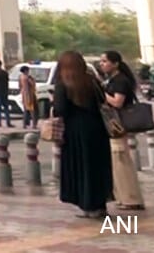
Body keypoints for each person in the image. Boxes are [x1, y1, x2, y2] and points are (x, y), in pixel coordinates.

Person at [53, 50, 112, 219]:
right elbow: (103, 102)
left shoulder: (63, 83)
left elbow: (60, 109)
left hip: (75, 131)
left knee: (81, 167)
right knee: (97, 166)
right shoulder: (92, 80)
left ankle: (87, 204)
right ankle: (100, 205)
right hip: (98, 129)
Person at [100, 50, 145, 211]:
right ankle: (123, 196)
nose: (102, 64)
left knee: (121, 160)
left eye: (105, 61)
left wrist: (102, 95)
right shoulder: (111, 80)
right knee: (117, 162)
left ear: (115, 63)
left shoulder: (120, 81)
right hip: (113, 125)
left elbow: (118, 102)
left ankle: (131, 198)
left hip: (118, 124)